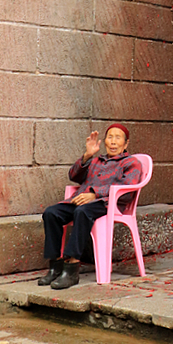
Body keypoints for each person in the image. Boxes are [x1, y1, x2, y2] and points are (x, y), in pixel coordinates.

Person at [38, 124, 142, 290]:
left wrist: (95, 194)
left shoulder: (131, 163)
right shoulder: (95, 161)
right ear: (105, 141)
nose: (113, 142)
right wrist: (87, 155)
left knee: (82, 211)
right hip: (82, 200)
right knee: (51, 213)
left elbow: (127, 187)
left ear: (126, 143)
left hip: (107, 204)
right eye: (110, 137)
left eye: (118, 138)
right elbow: (73, 175)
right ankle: (54, 266)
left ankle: (71, 267)